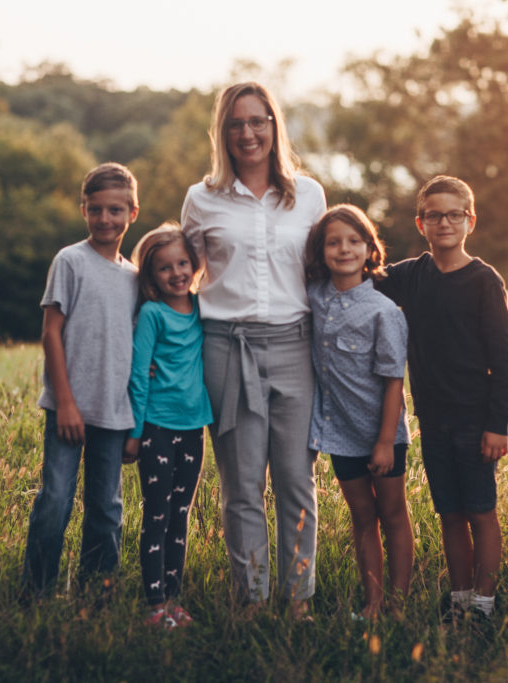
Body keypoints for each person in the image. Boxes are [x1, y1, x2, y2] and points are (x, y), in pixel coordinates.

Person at [181, 82, 327, 618]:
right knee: (241, 485)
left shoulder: (308, 195)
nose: (248, 133)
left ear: (274, 125)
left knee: (295, 480)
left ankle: (298, 599)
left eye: (258, 121)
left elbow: (322, 271)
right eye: (236, 123)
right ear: (223, 132)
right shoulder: (202, 198)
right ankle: (252, 599)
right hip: (226, 347)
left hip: (294, 345)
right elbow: (184, 275)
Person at [375, 175, 508, 624]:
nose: (444, 223)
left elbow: (504, 360)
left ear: (469, 221)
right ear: (420, 224)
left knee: (480, 512)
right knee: (449, 514)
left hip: (477, 421)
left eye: (454, 214)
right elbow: (360, 279)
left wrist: (498, 424)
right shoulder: (410, 275)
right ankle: (458, 600)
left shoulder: (484, 282)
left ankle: (484, 605)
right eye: (433, 215)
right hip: (432, 422)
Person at [20, 162, 140, 600]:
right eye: (95, 210)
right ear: (83, 210)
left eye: (115, 210)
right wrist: (65, 402)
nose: (105, 219)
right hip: (68, 409)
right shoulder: (70, 261)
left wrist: (135, 424)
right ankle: (36, 592)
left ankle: (97, 594)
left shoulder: (135, 278)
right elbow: (51, 331)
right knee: (55, 501)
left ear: (133, 212)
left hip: (114, 412)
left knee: (107, 509)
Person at [303, 204, 414, 621]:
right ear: (321, 250)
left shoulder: (383, 311)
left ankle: (398, 607)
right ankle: (373, 603)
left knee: (392, 514)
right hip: (338, 432)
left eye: (353, 241)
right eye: (333, 242)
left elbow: (393, 381)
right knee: (362, 517)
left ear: (370, 249)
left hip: (382, 434)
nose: (343, 249)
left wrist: (386, 441)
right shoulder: (313, 296)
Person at [122, 223, 213, 629]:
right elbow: (139, 374)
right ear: (151, 277)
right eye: (164, 268)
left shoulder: (202, 307)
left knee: (182, 515)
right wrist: (135, 431)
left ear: (194, 265)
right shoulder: (153, 314)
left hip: (196, 427)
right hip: (157, 427)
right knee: (156, 516)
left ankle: (175, 601)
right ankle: (153, 604)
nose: (176, 273)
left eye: (182, 263)